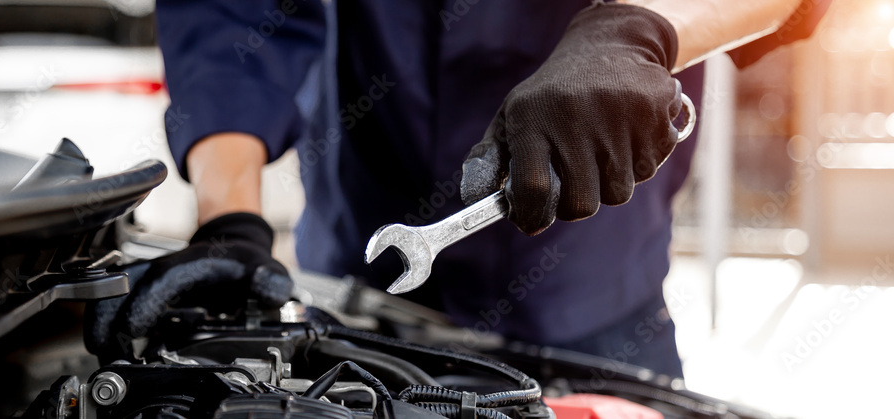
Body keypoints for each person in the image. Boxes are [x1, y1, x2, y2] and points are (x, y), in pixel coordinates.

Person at [89, 0, 829, 377]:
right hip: (355, 299)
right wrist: (232, 219)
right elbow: (232, 16)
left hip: (596, 309)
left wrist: (640, 32)